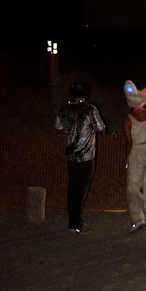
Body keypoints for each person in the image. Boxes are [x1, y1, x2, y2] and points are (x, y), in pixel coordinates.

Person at [55, 82, 105, 233]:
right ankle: (77, 223)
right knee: (81, 190)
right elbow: (101, 128)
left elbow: (58, 127)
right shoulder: (90, 110)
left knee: (72, 188)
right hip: (86, 156)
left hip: (70, 155)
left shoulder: (64, 109)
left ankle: (72, 222)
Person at [123, 80, 146, 234]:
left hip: (137, 150)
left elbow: (128, 142)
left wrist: (126, 159)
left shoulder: (128, 119)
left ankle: (139, 218)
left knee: (133, 186)